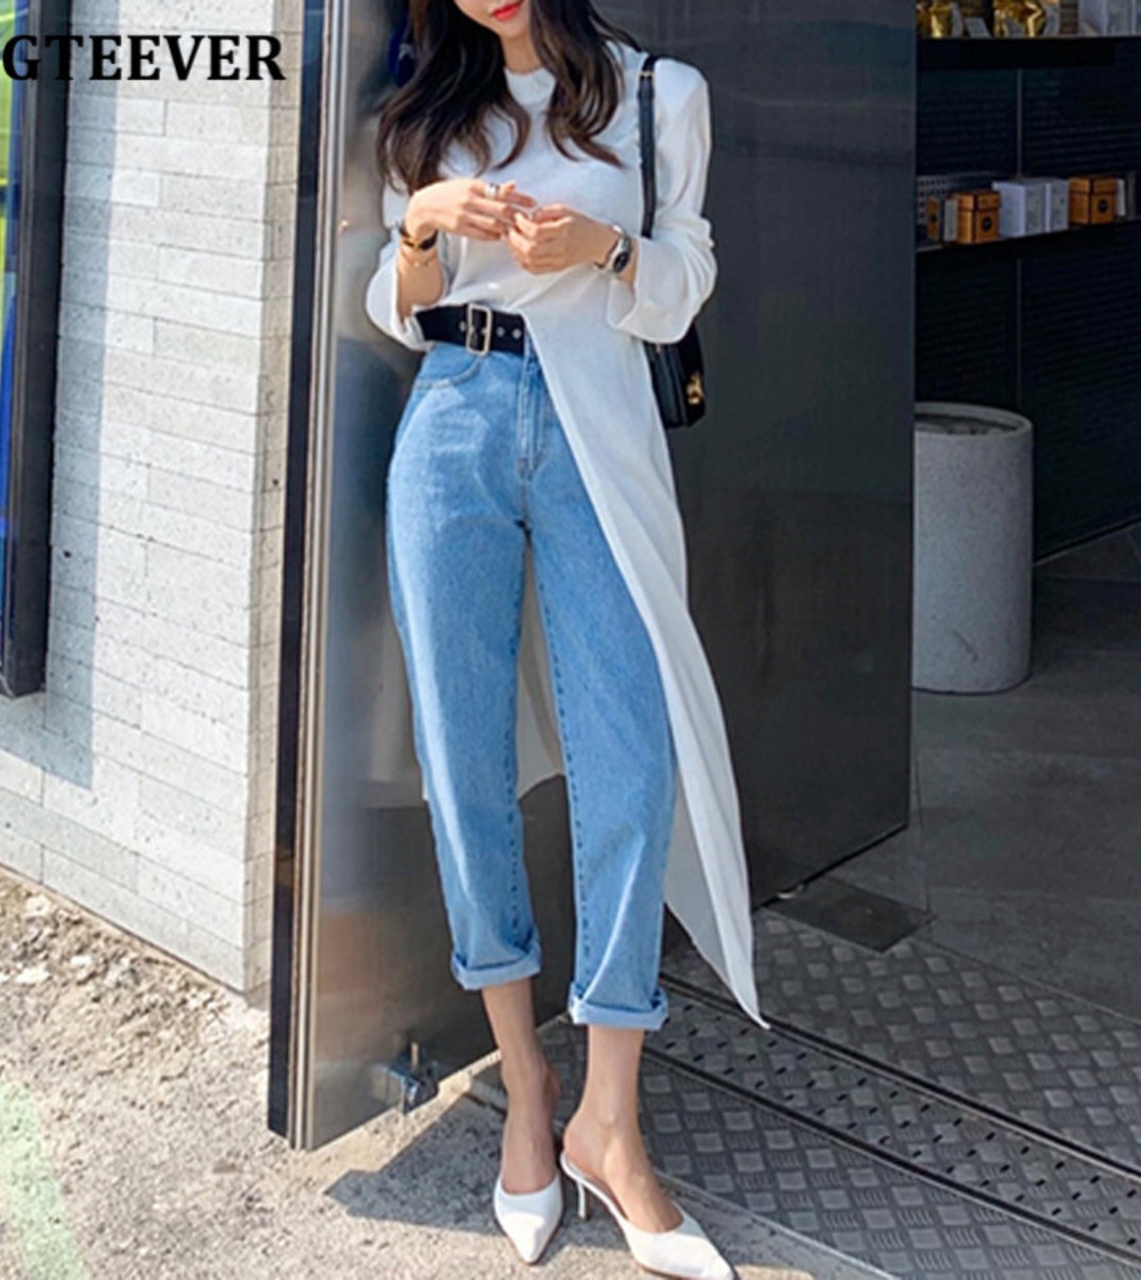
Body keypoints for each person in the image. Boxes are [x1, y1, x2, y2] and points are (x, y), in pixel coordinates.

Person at [365, 2, 762, 1275]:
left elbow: (685, 279)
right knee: (461, 758)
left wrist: (606, 247)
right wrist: (422, 226)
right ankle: (525, 1082)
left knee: (628, 763)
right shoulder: (428, 111)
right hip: (453, 421)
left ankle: (610, 1116)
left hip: (598, 427)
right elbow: (396, 305)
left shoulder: (658, 96)